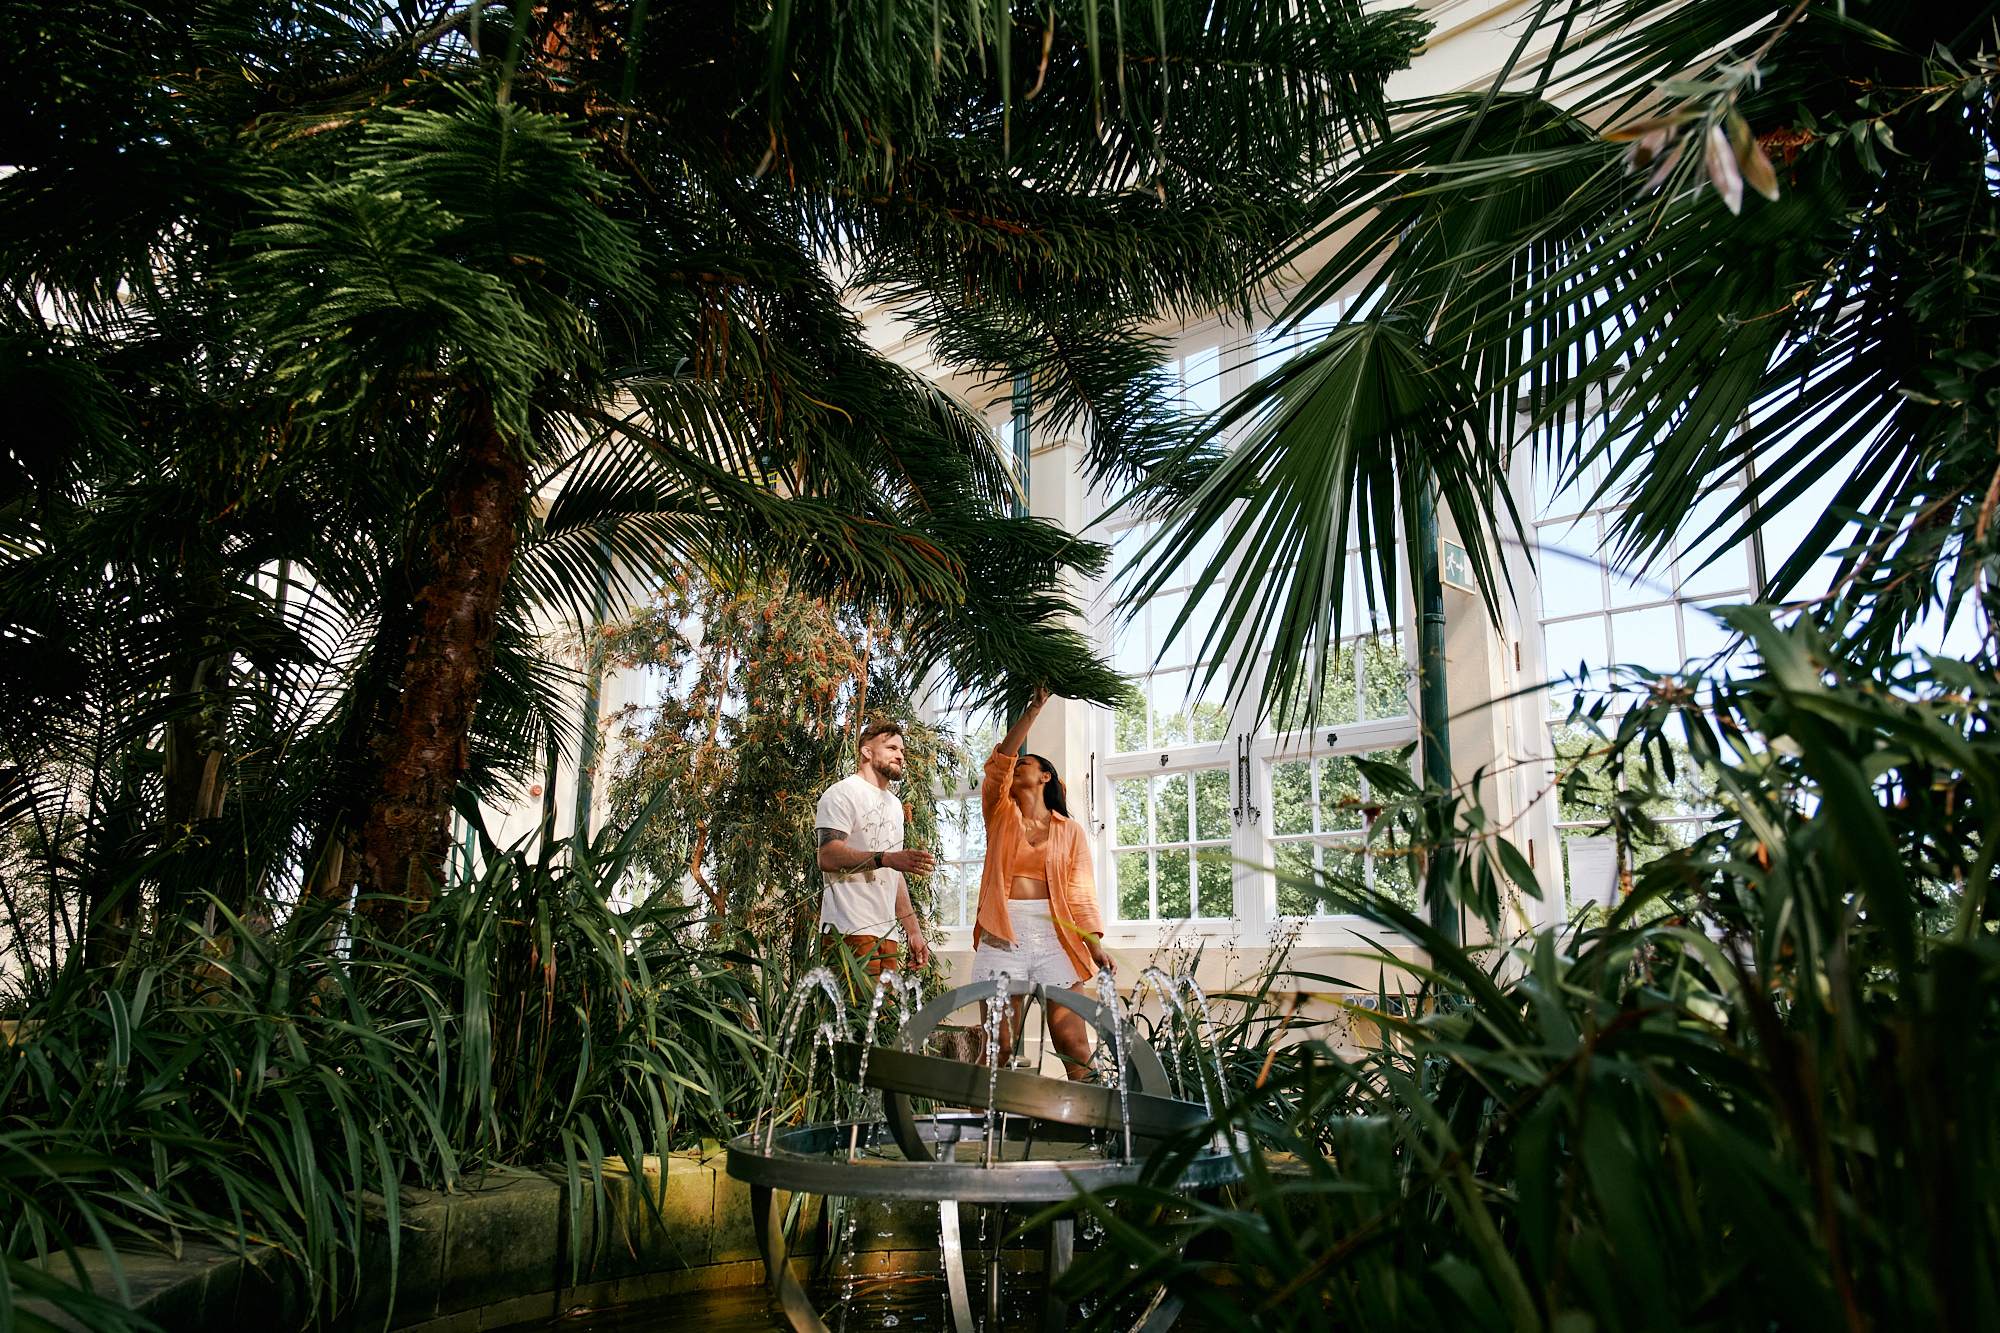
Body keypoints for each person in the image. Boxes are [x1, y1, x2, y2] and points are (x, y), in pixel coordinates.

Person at [970, 686, 1114, 1080]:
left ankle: (1092, 1134)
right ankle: (972, 1137)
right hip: (1004, 933)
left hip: (1055, 938)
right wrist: (1032, 712)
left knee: (1074, 1045)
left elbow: (1081, 894)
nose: (1017, 767)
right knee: (998, 1047)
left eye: (1026, 764)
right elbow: (999, 763)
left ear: (1045, 775)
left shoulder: (1070, 831)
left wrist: (1095, 946)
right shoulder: (999, 812)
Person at [815, 720, 934, 979]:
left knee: (884, 1019)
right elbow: (827, 856)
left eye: (902, 751)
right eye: (891, 748)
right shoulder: (842, 794)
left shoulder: (894, 805)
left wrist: (913, 931)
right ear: (867, 752)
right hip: (848, 930)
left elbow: (893, 872)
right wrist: (886, 858)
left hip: (886, 934)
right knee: (851, 1017)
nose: (900, 756)